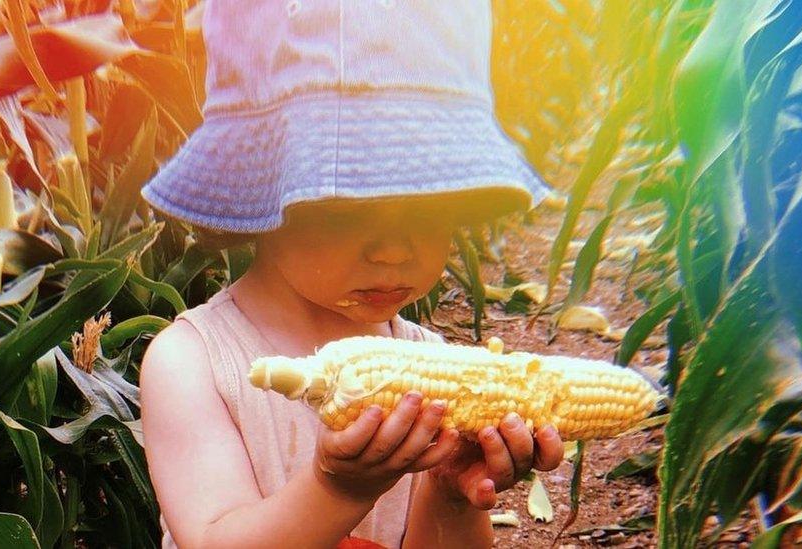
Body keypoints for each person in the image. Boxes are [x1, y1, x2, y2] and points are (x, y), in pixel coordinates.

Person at [138, 1, 564, 547]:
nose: (393, 250)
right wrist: (337, 490)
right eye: (345, 209)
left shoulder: (431, 362)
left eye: (428, 209)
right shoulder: (192, 363)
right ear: (265, 188)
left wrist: (451, 493)